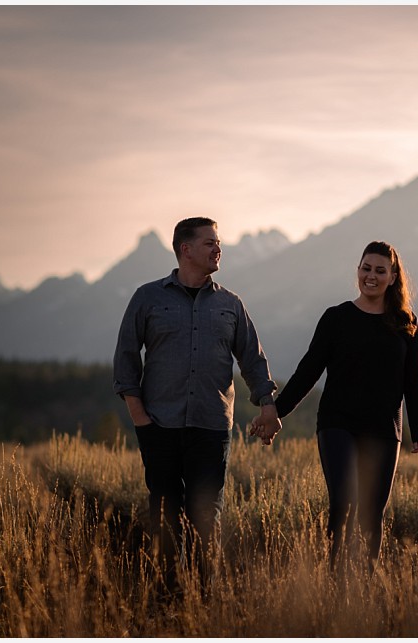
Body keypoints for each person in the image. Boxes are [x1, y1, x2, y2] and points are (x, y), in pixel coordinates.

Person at [113, 217, 281, 589]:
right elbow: (126, 357)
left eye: (218, 243)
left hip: (211, 427)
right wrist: (139, 416)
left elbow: (252, 359)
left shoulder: (230, 304)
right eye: (210, 243)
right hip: (160, 426)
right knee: (165, 516)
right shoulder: (147, 297)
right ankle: (168, 600)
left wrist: (268, 405)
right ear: (185, 249)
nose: (218, 249)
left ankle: (205, 599)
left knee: (206, 516)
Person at [252, 240, 418, 569]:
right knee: (344, 504)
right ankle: (336, 588)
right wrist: (277, 410)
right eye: (365, 268)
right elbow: (308, 371)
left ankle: (362, 588)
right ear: (357, 272)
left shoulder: (406, 324)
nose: (371, 276)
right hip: (338, 423)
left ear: (392, 277)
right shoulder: (337, 318)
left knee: (371, 515)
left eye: (380, 270)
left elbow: (414, 381)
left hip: (383, 428)